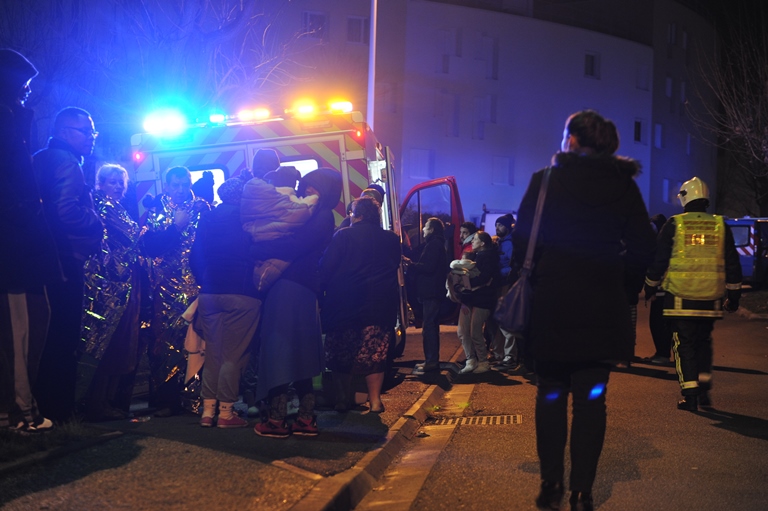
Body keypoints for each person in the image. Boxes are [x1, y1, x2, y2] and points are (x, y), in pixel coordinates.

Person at [513, 110, 656, 511]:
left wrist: (532, 280)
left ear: (573, 140)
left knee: (551, 394)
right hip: (600, 312)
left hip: (552, 309)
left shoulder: (546, 182)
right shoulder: (623, 186)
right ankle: (582, 491)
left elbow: (523, 241)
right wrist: (622, 289)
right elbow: (644, 246)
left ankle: (551, 482)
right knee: (592, 399)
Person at [251, 168, 342, 438]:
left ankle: (277, 420)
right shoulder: (321, 214)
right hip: (304, 289)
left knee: (279, 349)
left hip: (290, 287)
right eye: (305, 186)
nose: (306, 192)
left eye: (312, 188)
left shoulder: (321, 215)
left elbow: (295, 245)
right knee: (301, 353)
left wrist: (259, 247)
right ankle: (305, 418)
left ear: (324, 190)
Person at [0, 48, 60, 433]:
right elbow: (17, 178)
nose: (27, 93)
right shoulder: (12, 122)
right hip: (12, 248)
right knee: (17, 328)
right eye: (22, 86)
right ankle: (20, 412)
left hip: (16, 242)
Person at [644, 177, 742, 411]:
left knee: (683, 344)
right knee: (703, 342)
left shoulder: (675, 224)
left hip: (680, 297)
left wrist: (650, 285)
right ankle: (705, 391)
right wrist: (734, 295)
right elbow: (732, 262)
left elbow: (659, 259)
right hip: (711, 298)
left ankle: (691, 396)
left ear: (684, 198)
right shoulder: (720, 225)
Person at [32, 106, 103, 423]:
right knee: (64, 340)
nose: (91, 138)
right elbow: (65, 211)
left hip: (42, 260)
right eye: (85, 131)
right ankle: (59, 412)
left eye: (92, 132)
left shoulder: (39, 159)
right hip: (66, 261)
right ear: (63, 132)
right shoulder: (68, 163)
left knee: (44, 340)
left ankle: (42, 406)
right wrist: (95, 222)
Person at [190, 178, 261, 428]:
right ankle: (227, 414)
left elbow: (195, 254)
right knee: (233, 355)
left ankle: (207, 412)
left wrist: (205, 280)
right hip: (242, 293)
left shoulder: (207, 218)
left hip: (210, 293)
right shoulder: (247, 217)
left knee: (213, 354)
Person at [320, 196, 401, 413]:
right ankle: (375, 401)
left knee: (340, 354)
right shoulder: (392, 239)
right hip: (379, 307)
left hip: (345, 306)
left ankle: (342, 400)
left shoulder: (343, 236)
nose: (350, 216)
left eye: (352, 213)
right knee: (376, 355)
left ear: (359, 215)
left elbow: (326, 268)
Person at [79, 164, 145, 421]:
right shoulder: (103, 206)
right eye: (111, 181)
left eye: (121, 182)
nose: (117, 186)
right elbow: (131, 238)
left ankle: (105, 401)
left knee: (118, 343)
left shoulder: (116, 207)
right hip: (108, 287)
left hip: (123, 285)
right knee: (103, 343)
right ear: (100, 184)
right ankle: (95, 403)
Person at [143, 165, 210, 416]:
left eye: (185, 184)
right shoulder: (157, 211)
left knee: (198, 342)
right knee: (166, 342)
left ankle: (197, 398)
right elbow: (150, 248)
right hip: (165, 290)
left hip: (199, 288)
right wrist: (176, 228)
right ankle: (167, 399)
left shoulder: (203, 210)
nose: (181, 190)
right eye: (175, 185)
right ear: (167, 186)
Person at [402, 217, 448, 372]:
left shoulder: (433, 245)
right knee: (431, 326)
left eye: (426, 227)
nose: (423, 230)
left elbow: (428, 267)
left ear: (432, 230)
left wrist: (411, 264)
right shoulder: (437, 244)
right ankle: (431, 360)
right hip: (432, 291)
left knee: (429, 327)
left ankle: (431, 362)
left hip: (431, 292)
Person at [456, 231, 499, 374]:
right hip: (469, 298)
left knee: (474, 331)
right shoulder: (476, 256)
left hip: (482, 299)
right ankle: (471, 360)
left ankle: (483, 361)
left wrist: (465, 283)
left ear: (483, 243)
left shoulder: (488, 258)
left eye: (475, 239)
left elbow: (484, 279)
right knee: (463, 331)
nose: (472, 242)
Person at [488, 213, 523, 371]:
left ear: (508, 227)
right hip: (498, 283)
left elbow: (509, 265)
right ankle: (501, 354)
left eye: (500, 225)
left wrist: (498, 272)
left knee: (505, 318)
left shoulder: (510, 244)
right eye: (496, 225)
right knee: (496, 319)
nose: (497, 227)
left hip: (506, 283)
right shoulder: (499, 243)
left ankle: (510, 356)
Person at [644, 213, 672, 365]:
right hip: (672, 289)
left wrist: (650, 288)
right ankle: (667, 353)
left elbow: (656, 266)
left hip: (662, 289)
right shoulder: (671, 240)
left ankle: (662, 354)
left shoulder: (660, 243)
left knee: (658, 323)